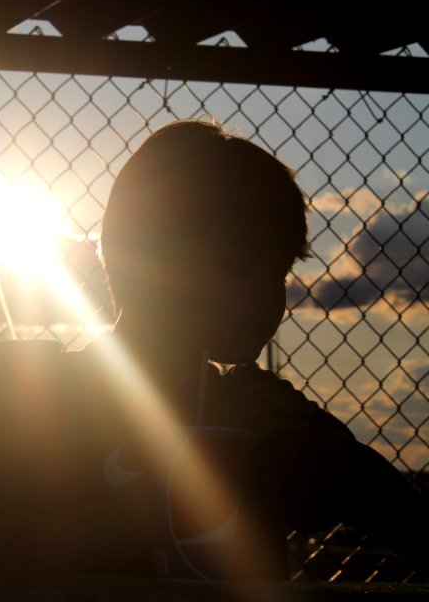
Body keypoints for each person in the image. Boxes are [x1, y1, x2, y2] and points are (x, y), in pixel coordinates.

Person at [92, 119, 429, 578]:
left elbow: (388, 507)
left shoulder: (264, 413)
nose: (268, 295)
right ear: (144, 260)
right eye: (237, 265)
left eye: (280, 272)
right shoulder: (43, 394)